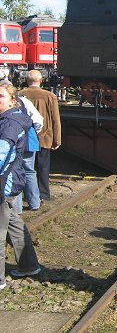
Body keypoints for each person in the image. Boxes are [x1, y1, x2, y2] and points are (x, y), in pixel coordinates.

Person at [0, 81, 41, 291]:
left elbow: (1, 154)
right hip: (13, 179)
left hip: (4, 182)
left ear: (12, 100)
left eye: (1, 96)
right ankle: (29, 265)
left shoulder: (10, 123)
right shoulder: (14, 118)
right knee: (14, 223)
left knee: (0, 229)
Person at [19, 70, 61, 201]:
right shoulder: (50, 96)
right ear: (41, 81)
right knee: (43, 167)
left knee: (26, 167)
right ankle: (43, 194)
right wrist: (57, 139)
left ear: (26, 81)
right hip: (45, 137)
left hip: (25, 137)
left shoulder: (19, 95)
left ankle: (28, 195)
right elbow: (55, 119)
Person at [16, 95, 43, 213]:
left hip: (19, 140)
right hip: (28, 140)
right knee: (29, 171)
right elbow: (38, 120)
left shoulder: (23, 100)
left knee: (15, 173)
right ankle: (34, 202)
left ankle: (17, 208)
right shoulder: (24, 101)